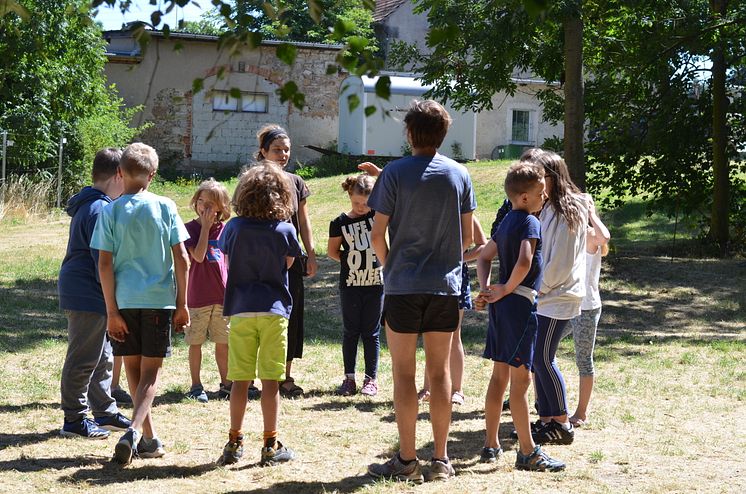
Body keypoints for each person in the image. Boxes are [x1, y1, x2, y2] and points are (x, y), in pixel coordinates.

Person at [366, 100, 475, 483]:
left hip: (403, 288)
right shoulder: (460, 174)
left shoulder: (393, 173)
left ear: (409, 132)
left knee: (403, 374)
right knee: (440, 374)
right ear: (443, 134)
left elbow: (377, 234)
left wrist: (390, 266)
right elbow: (468, 237)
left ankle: (408, 461)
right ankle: (442, 460)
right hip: (445, 288)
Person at [91, 142, 190, 465]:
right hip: (159, 302)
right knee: (150, 375)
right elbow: (183, 260)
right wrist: (183, 303)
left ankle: (149, 439)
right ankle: (135, 430)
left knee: (133, 371)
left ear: (120, 173)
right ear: (153, 174)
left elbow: (103, 264)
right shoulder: (165, 206)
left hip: (123, 302)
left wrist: (111, 312)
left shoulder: (110, 210)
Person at [475, 161, 565, 472]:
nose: (544, 198)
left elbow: (484, 257)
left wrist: (488, 288)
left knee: (499, 377)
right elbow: (526, 261)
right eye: (541, 193)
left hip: (503, 308)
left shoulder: (505, 222)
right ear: (525, 197)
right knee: (521, 381)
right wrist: (503, 289)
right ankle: (528, 452)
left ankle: (490, 443)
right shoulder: (530, 222)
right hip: (520, 307)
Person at [217, 163, 301, 466]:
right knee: (270, 381)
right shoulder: (285, 229)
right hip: (274, 310)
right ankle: (270, 443)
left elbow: (226, 257)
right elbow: (288, 263)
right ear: (281, 195)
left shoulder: (234, 227)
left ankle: (234, 441)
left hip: (240, 310)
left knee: (239, 381)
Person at [59, 147, 131, 439]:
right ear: (117, 174)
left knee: (103, 355)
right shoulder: (99, 208)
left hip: (91, 292)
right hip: (87, 292)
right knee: (84, 357)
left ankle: (104, 412)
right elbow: (101, 260)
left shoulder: (94, 203)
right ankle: (74, 420)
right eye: (126, 176)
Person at [530, 150, 589, 446]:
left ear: (551, 178)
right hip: (546, 295)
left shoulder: (570, 209)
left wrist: (538, 286)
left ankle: (562, 424)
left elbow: (561, 263)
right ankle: (546, 420)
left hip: (559, 295)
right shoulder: (548, 208)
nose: (535, 183)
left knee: (542, 357)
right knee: (537, 359)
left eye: (539, 177)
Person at [255, 125, 317, 398]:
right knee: (261, 316)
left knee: (290, 316)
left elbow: (303, 220)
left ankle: (285, 375)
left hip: (292, 259)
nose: (283, 154)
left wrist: (311, 252)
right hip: (260, 259)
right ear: (263, 152)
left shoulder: (296, 181)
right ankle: (260, 374)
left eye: (286, 150)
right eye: (277, 149)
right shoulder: (254, 180)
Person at [418, 217, 487, 406]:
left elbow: (483, 246)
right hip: (429, 278)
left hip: (455, 279)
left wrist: (458, 258)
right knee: (430, 332)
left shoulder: (466, 214)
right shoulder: (429, 210)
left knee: (454, 334)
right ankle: (427, 388)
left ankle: (457, 390)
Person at [327, 174, 383, 397]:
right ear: (350, 196)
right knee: (351, 332)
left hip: (375, 283)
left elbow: (397, 200)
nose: (361, 208)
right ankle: (349, 378)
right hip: (350, 285)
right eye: (356, 203)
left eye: (366, 203)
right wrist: (352, 262)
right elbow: (333, 251)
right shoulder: (339, 223)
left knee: (371, 333)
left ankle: (371, 379)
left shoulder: (379, 216)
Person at [561, 195, 610, 427]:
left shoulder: (591, 235)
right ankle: (546, 404)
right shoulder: (569, 233)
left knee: (583, 359)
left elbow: (604, 236)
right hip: (564, 304)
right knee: (540, 350)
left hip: (586, 307)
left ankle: (581, 413)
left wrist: (592, 214)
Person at [183, 179, 232, 403]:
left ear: (221, 207)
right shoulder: (190, 229)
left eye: (211, 204)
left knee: (223, 342)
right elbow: (199, 256)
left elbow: (229, 263)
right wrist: (204, 227)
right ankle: (196, 384)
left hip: (222, 297)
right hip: (197, 298)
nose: (205, 207)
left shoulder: (226, 230)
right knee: (196, 342)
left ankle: (227, 383)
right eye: (201, 201)